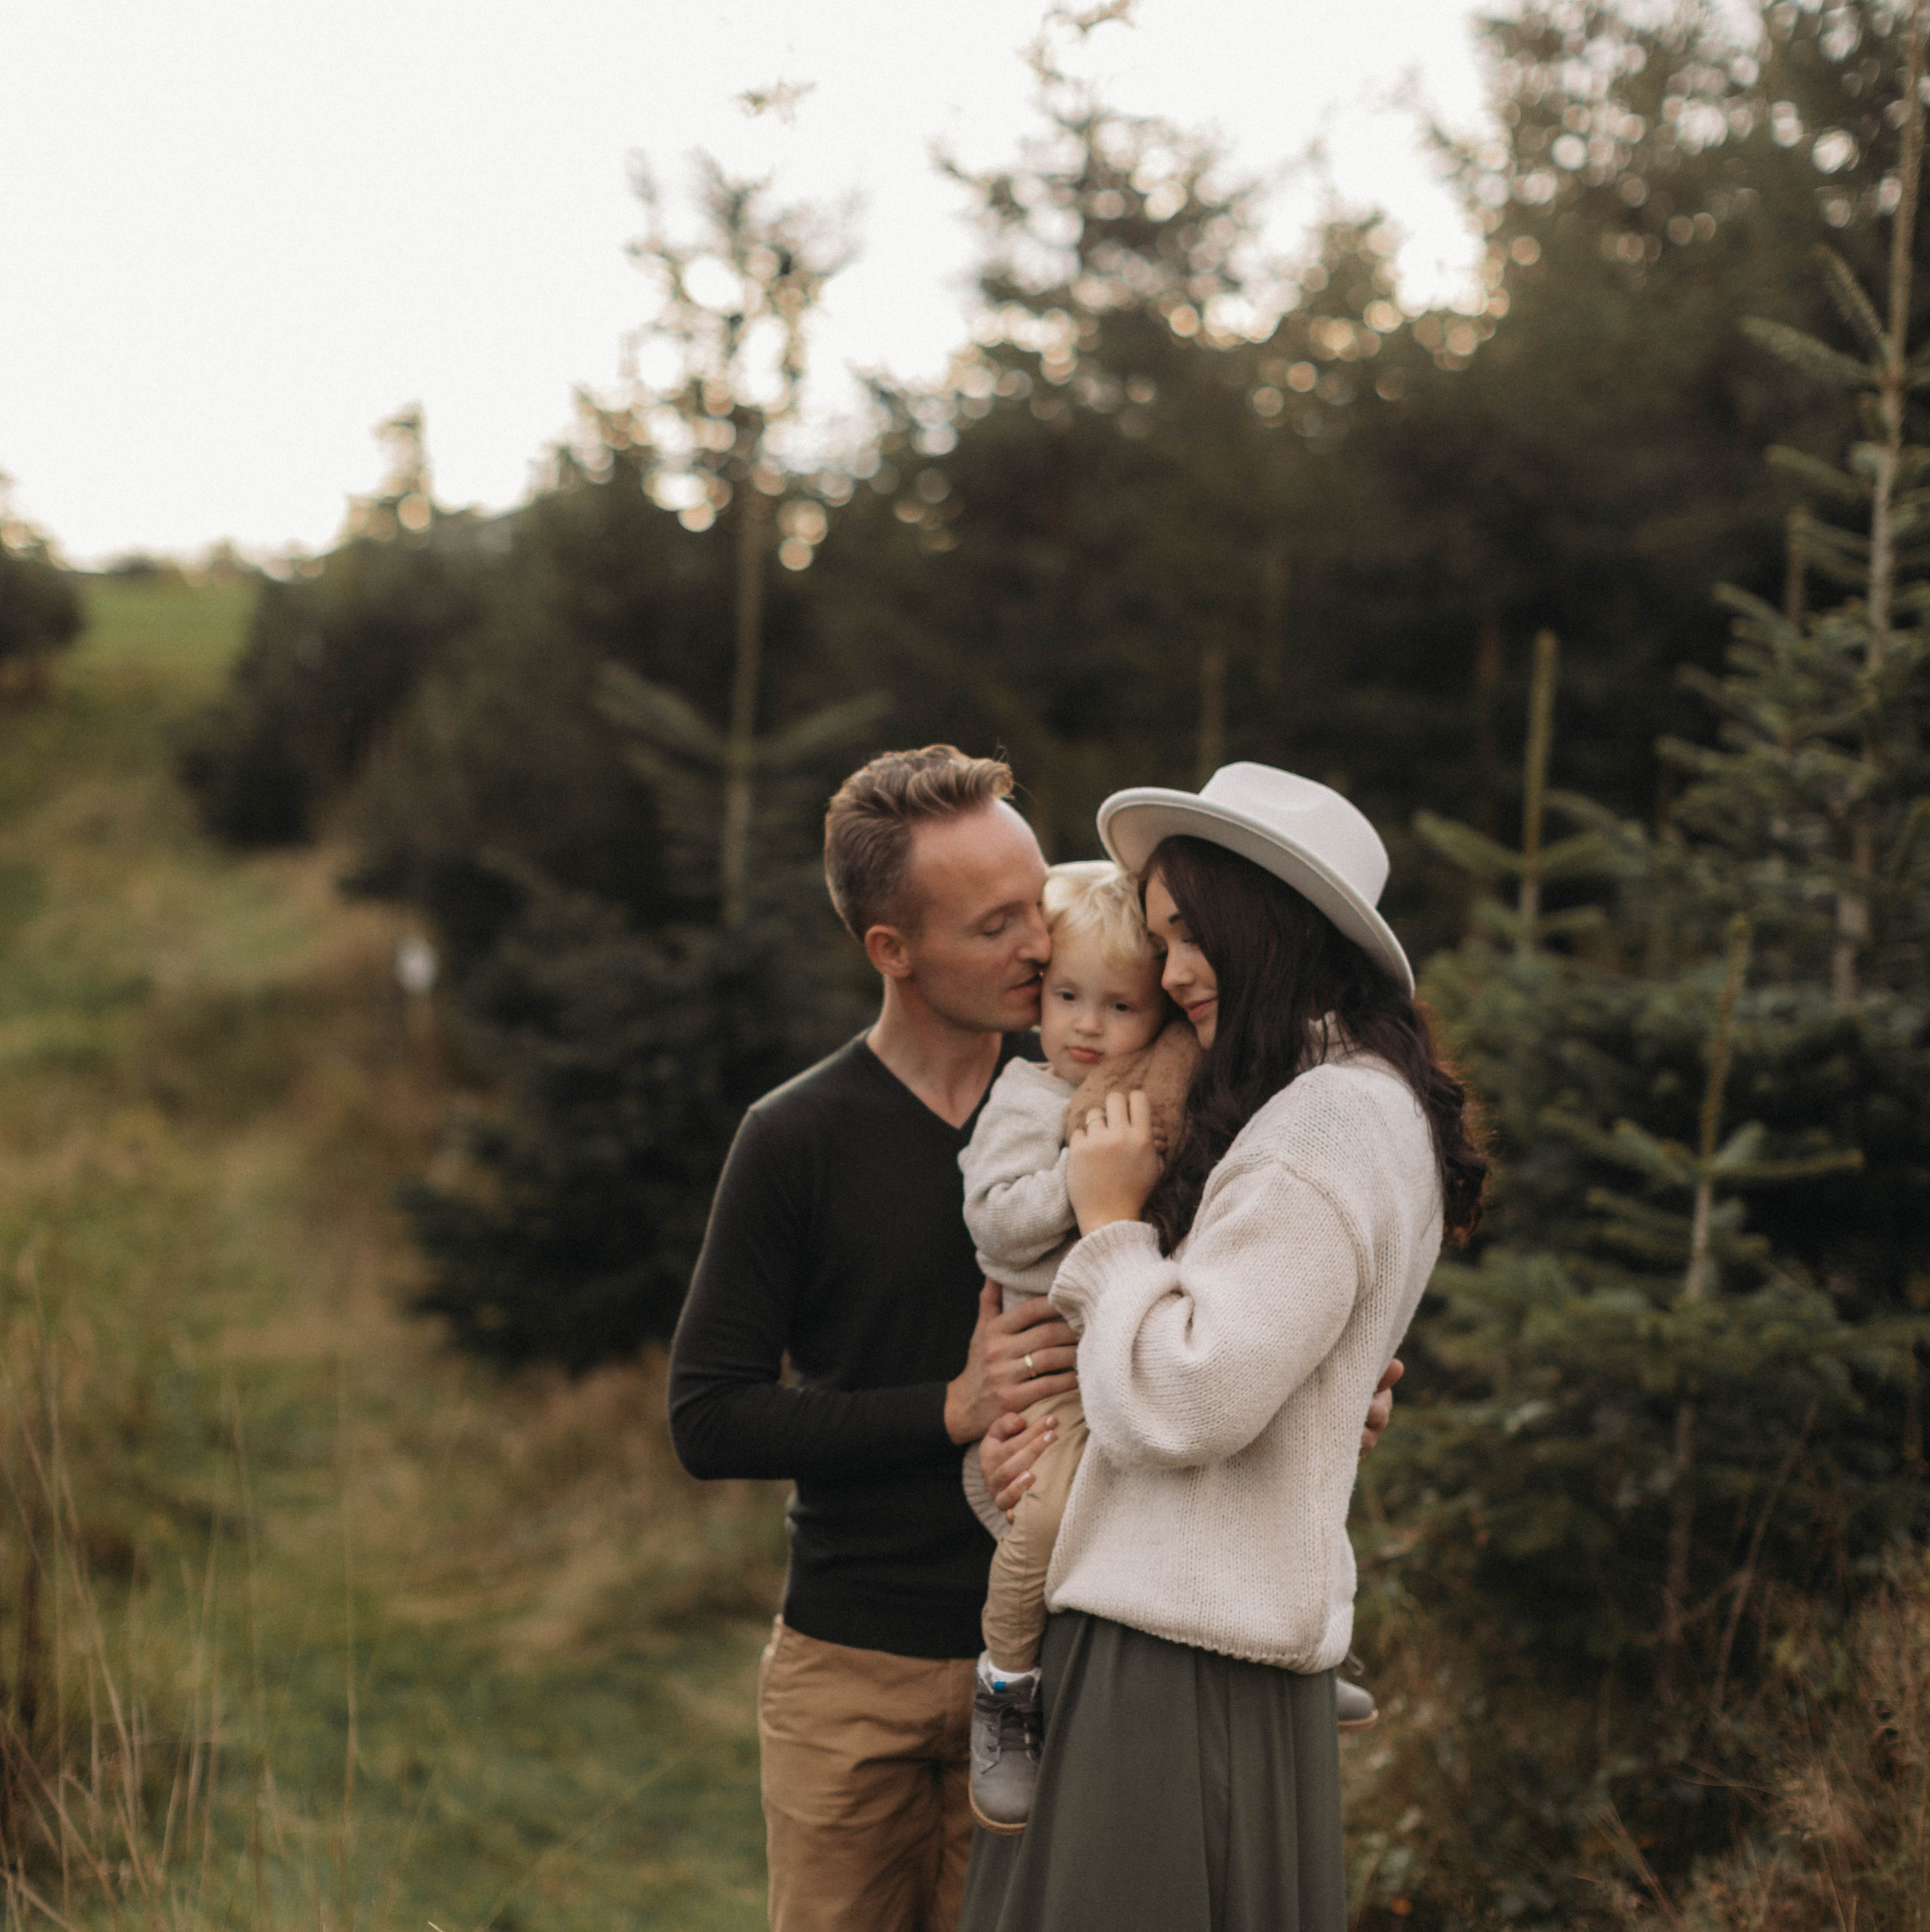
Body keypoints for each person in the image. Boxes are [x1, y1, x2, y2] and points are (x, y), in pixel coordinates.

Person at [669, 746, 1403, 1932]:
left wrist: (1325, 1387)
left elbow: (1221, 1310)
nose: (1038, 942)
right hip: (855, 1664)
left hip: (1082, 1670)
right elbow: (707, 1417)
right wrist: (948, 1409)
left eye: (1042, 902)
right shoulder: (796, 1137)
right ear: (891, 951)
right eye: (997, 921)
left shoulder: (1127, 1093)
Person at [960, 762, 1487, 1932]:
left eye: (1192, 936)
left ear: (1271, 926)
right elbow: (1255, 1354)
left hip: (1175, 1657)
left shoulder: (1325, 1123)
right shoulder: (1336, 1097)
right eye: (1160, 941)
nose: (1172, 972)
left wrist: (1103, 1220)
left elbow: (1182, 1398)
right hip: (1186, 1631)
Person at [955, 860, 1195, 1832]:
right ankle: (1006, 1684)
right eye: (1065, 998)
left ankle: (1316, 1635)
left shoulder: (1156, 1080)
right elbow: (999, 1228)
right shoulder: (1024, 1099)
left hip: (1130, 1345)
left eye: (1118, 1006)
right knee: (1049, 1515)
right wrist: (1087, 1177)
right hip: (1053, 1369)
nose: (1086, 1027)